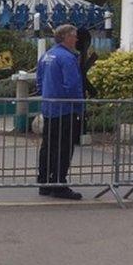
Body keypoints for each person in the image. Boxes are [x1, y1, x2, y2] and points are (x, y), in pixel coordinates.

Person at [35, 24, 84, 200]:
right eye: (74, 36)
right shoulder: (68, 58)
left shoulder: (47, 55)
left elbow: (39, 81)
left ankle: (44, 181)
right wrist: (79, 106)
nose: (77, 39)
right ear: (66, 37)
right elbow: (72, 85)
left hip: (49, 108)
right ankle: (58, 183)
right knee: (64, 147)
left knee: (48, 145)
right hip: (65, 109)